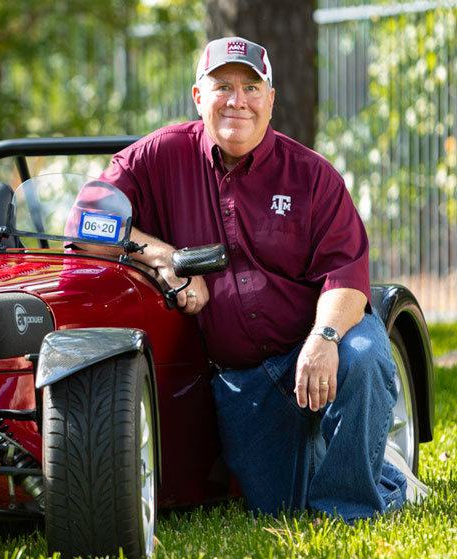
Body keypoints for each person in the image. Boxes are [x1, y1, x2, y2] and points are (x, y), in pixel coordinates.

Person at [92, 36, 429, 520]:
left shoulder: (312, 176)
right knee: (276, 507)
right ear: (198, 97)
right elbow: (85, 225)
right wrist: (166, 257)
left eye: (252, 87)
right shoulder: (157, 156)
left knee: (364, 353)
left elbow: (347, 277)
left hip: (316, 340)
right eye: (223, 86)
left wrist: (323, 337)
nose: (238, 100)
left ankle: (351, 509)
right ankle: (384, 472)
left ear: (271, 99)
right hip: (244, 379)